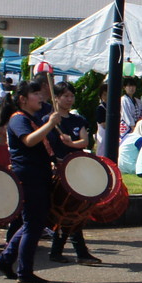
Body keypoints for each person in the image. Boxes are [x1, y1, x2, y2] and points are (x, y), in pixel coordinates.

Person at [0, 78, 61, 283]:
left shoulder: (30, 118)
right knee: (33, 223)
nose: (40, 97)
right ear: (23, 99)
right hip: (29, 175)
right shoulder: (18, 119)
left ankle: (6, 259)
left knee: (33, 221)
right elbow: (29, 140)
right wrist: (50, 124)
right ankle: (24, 271)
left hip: (38, 173)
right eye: (35, 94)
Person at [47, 82, 104, 265]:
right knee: (64, 212)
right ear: (56, 98)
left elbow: (84, 142)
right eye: (65, 96)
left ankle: (66, 251)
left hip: (74, 172)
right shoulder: (48, 121)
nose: (69, 99)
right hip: (55, 172)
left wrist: (70, 143)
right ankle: (75, 251)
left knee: (74, 211)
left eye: (71, 96)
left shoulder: (77, 120)